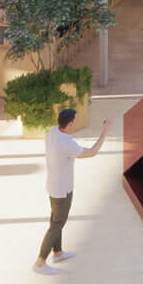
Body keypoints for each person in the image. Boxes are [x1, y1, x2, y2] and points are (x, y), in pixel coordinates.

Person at [34, 109, 109, 273]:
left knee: (56, 220)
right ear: (69, 124)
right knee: (56, 224)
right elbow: (92, 152)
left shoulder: (53, 132)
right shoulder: (66, 144)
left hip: (54, 186)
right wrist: (105, 131)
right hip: (62, 189)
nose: (75, 122)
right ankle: (40, 262)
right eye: (74, 120)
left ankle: (58, 253)